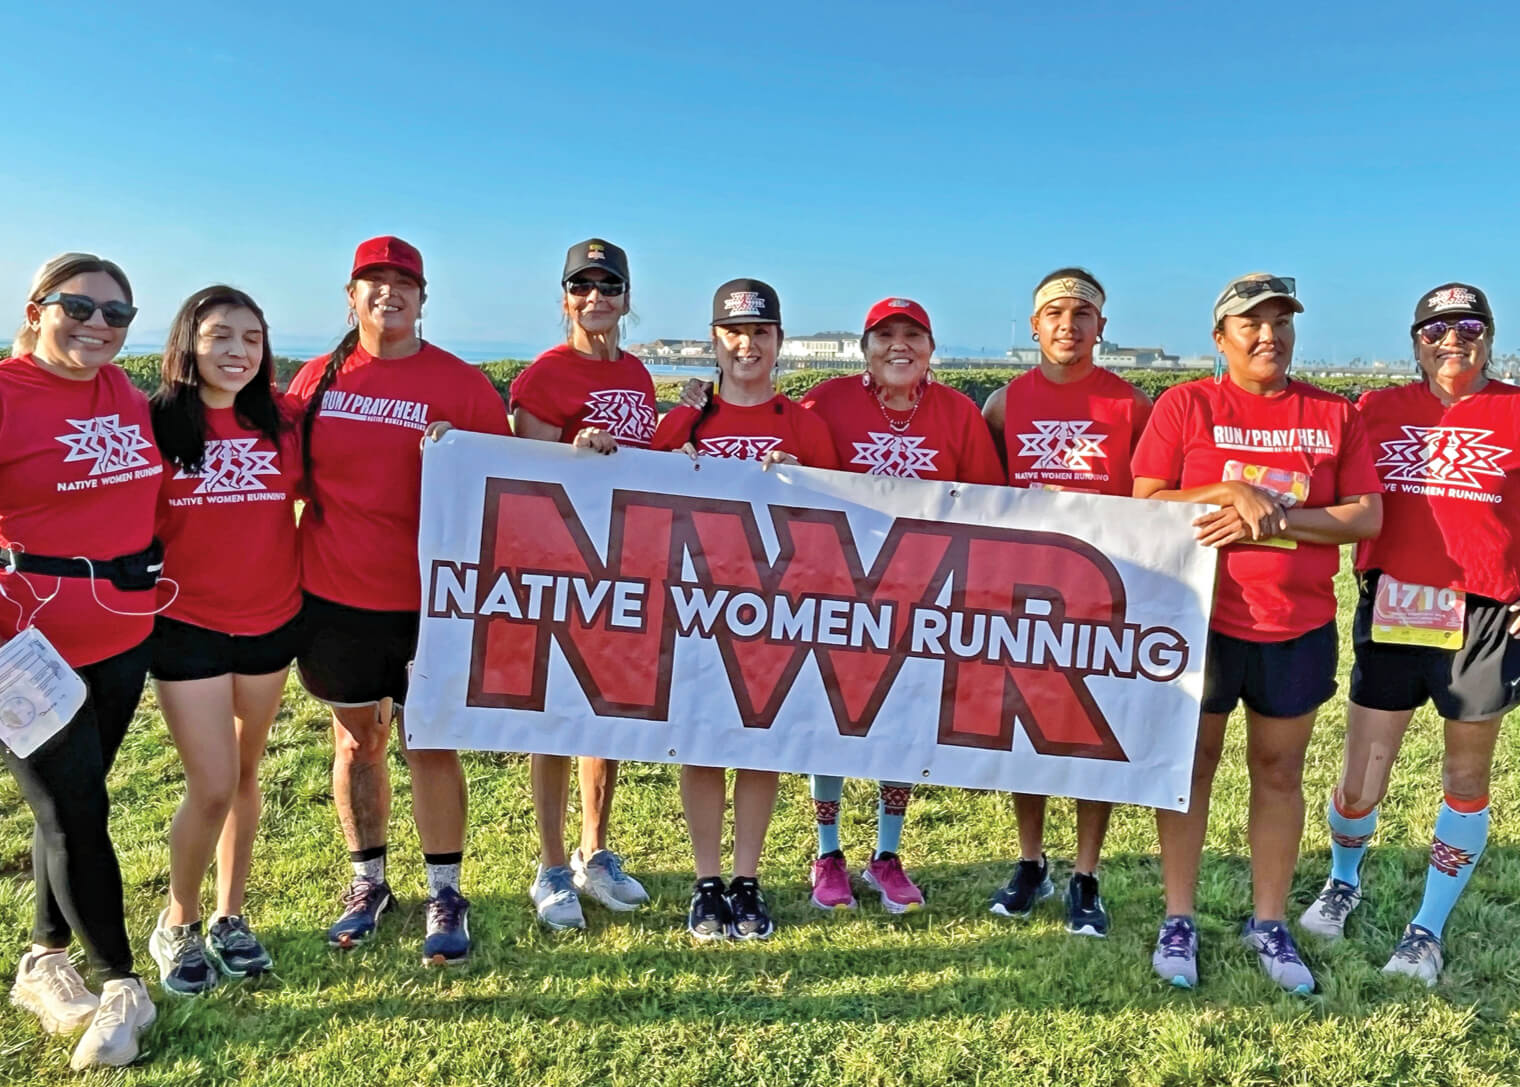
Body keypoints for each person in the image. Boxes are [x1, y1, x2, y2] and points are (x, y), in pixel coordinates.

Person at [1131, 273, 1382, 993]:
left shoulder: (1335, 414)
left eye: (1281, 322)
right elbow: (1147, 500)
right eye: (1251, 323)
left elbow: (1362, 516)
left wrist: (1268, 515)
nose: (1268, 334)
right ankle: (1178, 915)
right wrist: (1224, 491)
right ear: (1220, 338)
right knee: (1191, 767)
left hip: (1294, 623)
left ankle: (1268, 920)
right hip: (1196, 619)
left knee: (1278, 771)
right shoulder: (1187, 404)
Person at [288, 237, 510, 965]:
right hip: (334, 596)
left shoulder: (462, 382)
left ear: (423, 298)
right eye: (373, 282)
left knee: (432, 743)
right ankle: (369, 881)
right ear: (350, 295)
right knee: (356, 741)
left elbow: (503, 485)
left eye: (403, 283)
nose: (389, 294)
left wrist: (458, 453)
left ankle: (446, 890)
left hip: (433, 601)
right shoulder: (317, 380)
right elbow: (277, 477)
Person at [1300, 283, 1519, 985]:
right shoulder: (1375, 410)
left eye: (1469, 325)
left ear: (1488, 334)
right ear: (1414, 340)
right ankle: (1343, 880)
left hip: (1484, 615)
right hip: (1394, 603)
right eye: (1436, 329)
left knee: (1464, 776)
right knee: (1362, 776)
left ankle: (1426, 928)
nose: (1452, 339)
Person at [1, 253, 161, 1068]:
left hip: (124, 635)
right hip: (26, 653)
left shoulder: (124, 392)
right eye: (79, 307)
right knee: (77, 813)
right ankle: (120, 982)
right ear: (37, 308)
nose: (98, 325)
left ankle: (41, 957)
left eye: (117, 315)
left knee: (70, 801)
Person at [798, 296, 1004, 913]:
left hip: (923, 595)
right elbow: (786, 461)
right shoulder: (828, 402)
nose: (899, 346)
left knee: (903, 719)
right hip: (839, 590)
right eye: (884, 334)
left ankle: (887, 855)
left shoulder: (958, 412)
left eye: (912, 335)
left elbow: (990, 502)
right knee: (833, 719)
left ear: (930, 349)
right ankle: (827, 853)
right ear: (864, 347)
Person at [651, 279, 840, 941]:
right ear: (716, 340)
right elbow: (631, 498)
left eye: (761, 333)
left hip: (775, 612)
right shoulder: (686, 420)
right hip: (698, 610)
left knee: (760, 745)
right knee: (701, 744)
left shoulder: (804, 424)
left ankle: (749, 878)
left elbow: (840, 521)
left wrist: (801, 480)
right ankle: (707, 882)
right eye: (735, 332)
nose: (747, 345)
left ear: (779, 342)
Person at [981, 267, 1152, 937]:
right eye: (1054, 312)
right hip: (1026, 594)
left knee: (1089, 735)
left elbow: (1152, 503)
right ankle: (1031, 861)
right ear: (1033, 325)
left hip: (1100, 594)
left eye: (1082, 313)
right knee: (1027, 729)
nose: (1067, 324)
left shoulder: (1131, 404)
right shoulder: (1003, 403)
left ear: (1100, 327)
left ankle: (1086, 873)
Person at [146, 286, 304, 994]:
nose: (238, 352)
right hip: (187, 625)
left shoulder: (282, 421)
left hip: (272, 619)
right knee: (209, 783)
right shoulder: (152, 423)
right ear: (188, 343)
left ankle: (229, 915)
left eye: (251, 338)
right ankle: (176, 921)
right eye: (220, 337)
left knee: (244, 774)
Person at [510, 238, 657, 930]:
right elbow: (525, 475)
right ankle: (547, 865)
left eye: (608, 286)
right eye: (582, 285)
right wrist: (572, 453)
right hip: (560, 566)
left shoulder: (638, 374)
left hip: (623, 566)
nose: (595, 297)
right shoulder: (544, 376)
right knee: (554, 716)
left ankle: (593, 850)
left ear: (627, 297)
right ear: (564, 295)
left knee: (607, 714)